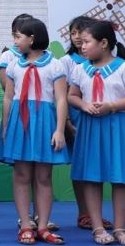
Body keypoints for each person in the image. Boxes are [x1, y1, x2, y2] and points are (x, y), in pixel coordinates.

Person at [0, 18, 68, 245]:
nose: (15, 41)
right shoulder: (14, 65)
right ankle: (25, 225)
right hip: (20, 122)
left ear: (32, 38)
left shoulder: (55, 65)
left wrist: (59, 130)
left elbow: (61, 99)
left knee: (43, 176)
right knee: (21, 175)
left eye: (18, 37)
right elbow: (8, 97)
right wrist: (6, 127)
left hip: (45, 122)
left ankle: (43, 226)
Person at [68, 20, 125, 245]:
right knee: (92, 177)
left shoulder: (122, 67)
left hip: (117, 127)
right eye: (80, 42)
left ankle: (119, 227)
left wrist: (111, 106)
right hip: (91, 128)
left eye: (86, 42)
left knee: (120, 178)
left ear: (103, 43)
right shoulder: (80, 69)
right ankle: (98, 227)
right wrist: (83, 105)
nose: (82, 46)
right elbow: (72, 95)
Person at [59, 16, 112, 232]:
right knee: (82, 167)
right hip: (77, 120)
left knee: (107, 165)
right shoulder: (67, 61)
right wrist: (67, 123)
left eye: (82, 33)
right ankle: (85, 214)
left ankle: (100, 215)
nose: (78, 37)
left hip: (104, 120)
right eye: (73, 33)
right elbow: (63, 95)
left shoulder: (111, 62)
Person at [0, 14, 33, 92]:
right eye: (16, 36)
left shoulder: (39, 55)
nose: (16, 40)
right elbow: (5, 86)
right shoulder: (7, 56)